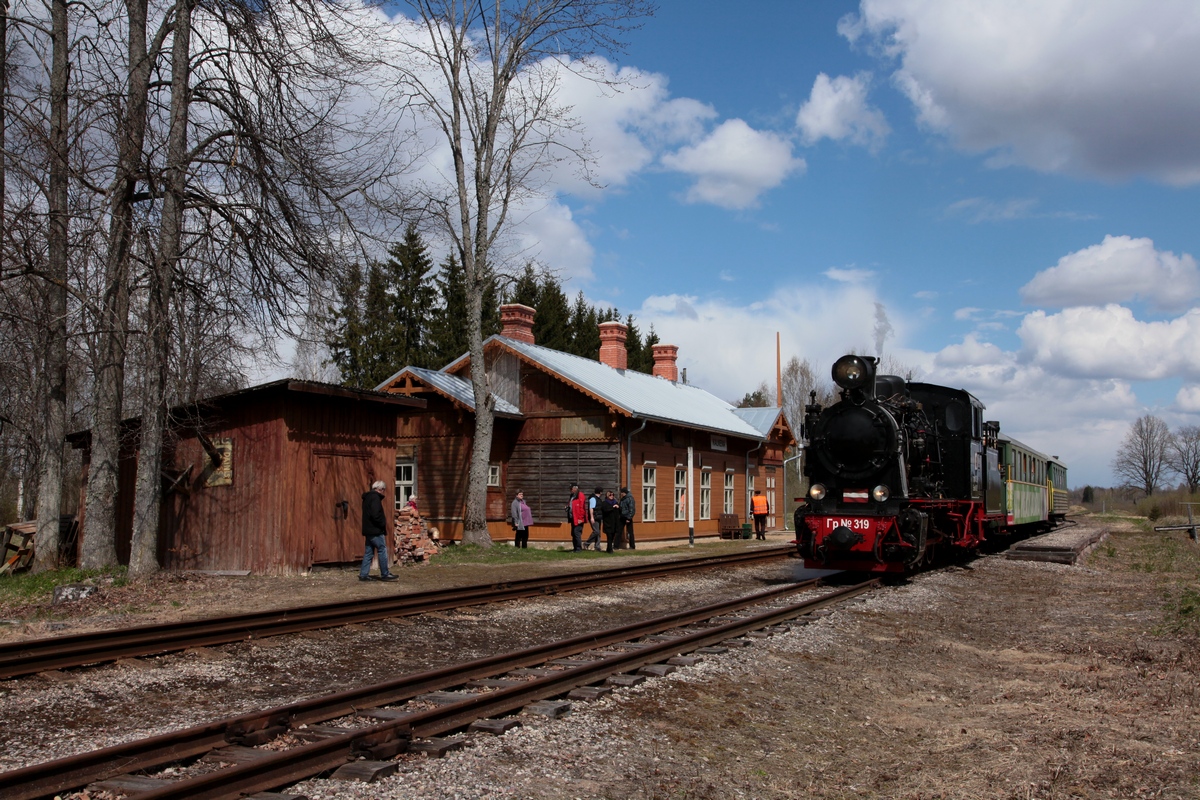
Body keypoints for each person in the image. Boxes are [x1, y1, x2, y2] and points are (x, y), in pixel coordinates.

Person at [361, 480, 399, 581]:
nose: (384, 492)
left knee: (369, 552)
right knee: (382, 550)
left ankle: (363, 574)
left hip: (368, 529)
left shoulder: (367, 498)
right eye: (384, 490)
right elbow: (375, 514)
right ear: (381, 489)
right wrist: (382, 523)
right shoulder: (375, 498)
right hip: (375, 530)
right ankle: (385, 574)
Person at [568, 484, 587, 552]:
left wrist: (581, 518)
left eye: (571, 488)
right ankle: (575, 548)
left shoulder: (580, 495)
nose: (570, 490)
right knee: (573, 533)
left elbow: (581, 508)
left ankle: (578, 548)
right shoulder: (572, 496)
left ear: (575, 488)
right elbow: (571, 505)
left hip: (578, 518)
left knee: (577, 533)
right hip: (573, 517)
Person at [585, 487, 603, 551]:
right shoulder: (593, 498)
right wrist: (592, 517)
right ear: (600, 492)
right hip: (594, 517)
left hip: (598, 517)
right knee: (596, 531)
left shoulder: (598, 499)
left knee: (598, 532)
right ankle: (586, 543)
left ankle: (597, 546)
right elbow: (591, 508)